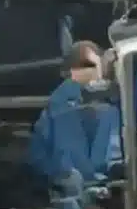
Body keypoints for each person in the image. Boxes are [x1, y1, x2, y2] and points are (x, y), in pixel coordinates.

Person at [28, 41, 122, 192]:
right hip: (72, 192)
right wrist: (59, 176)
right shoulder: (57, 108)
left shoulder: (111, 104)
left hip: (106, 189)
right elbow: (38, 156)